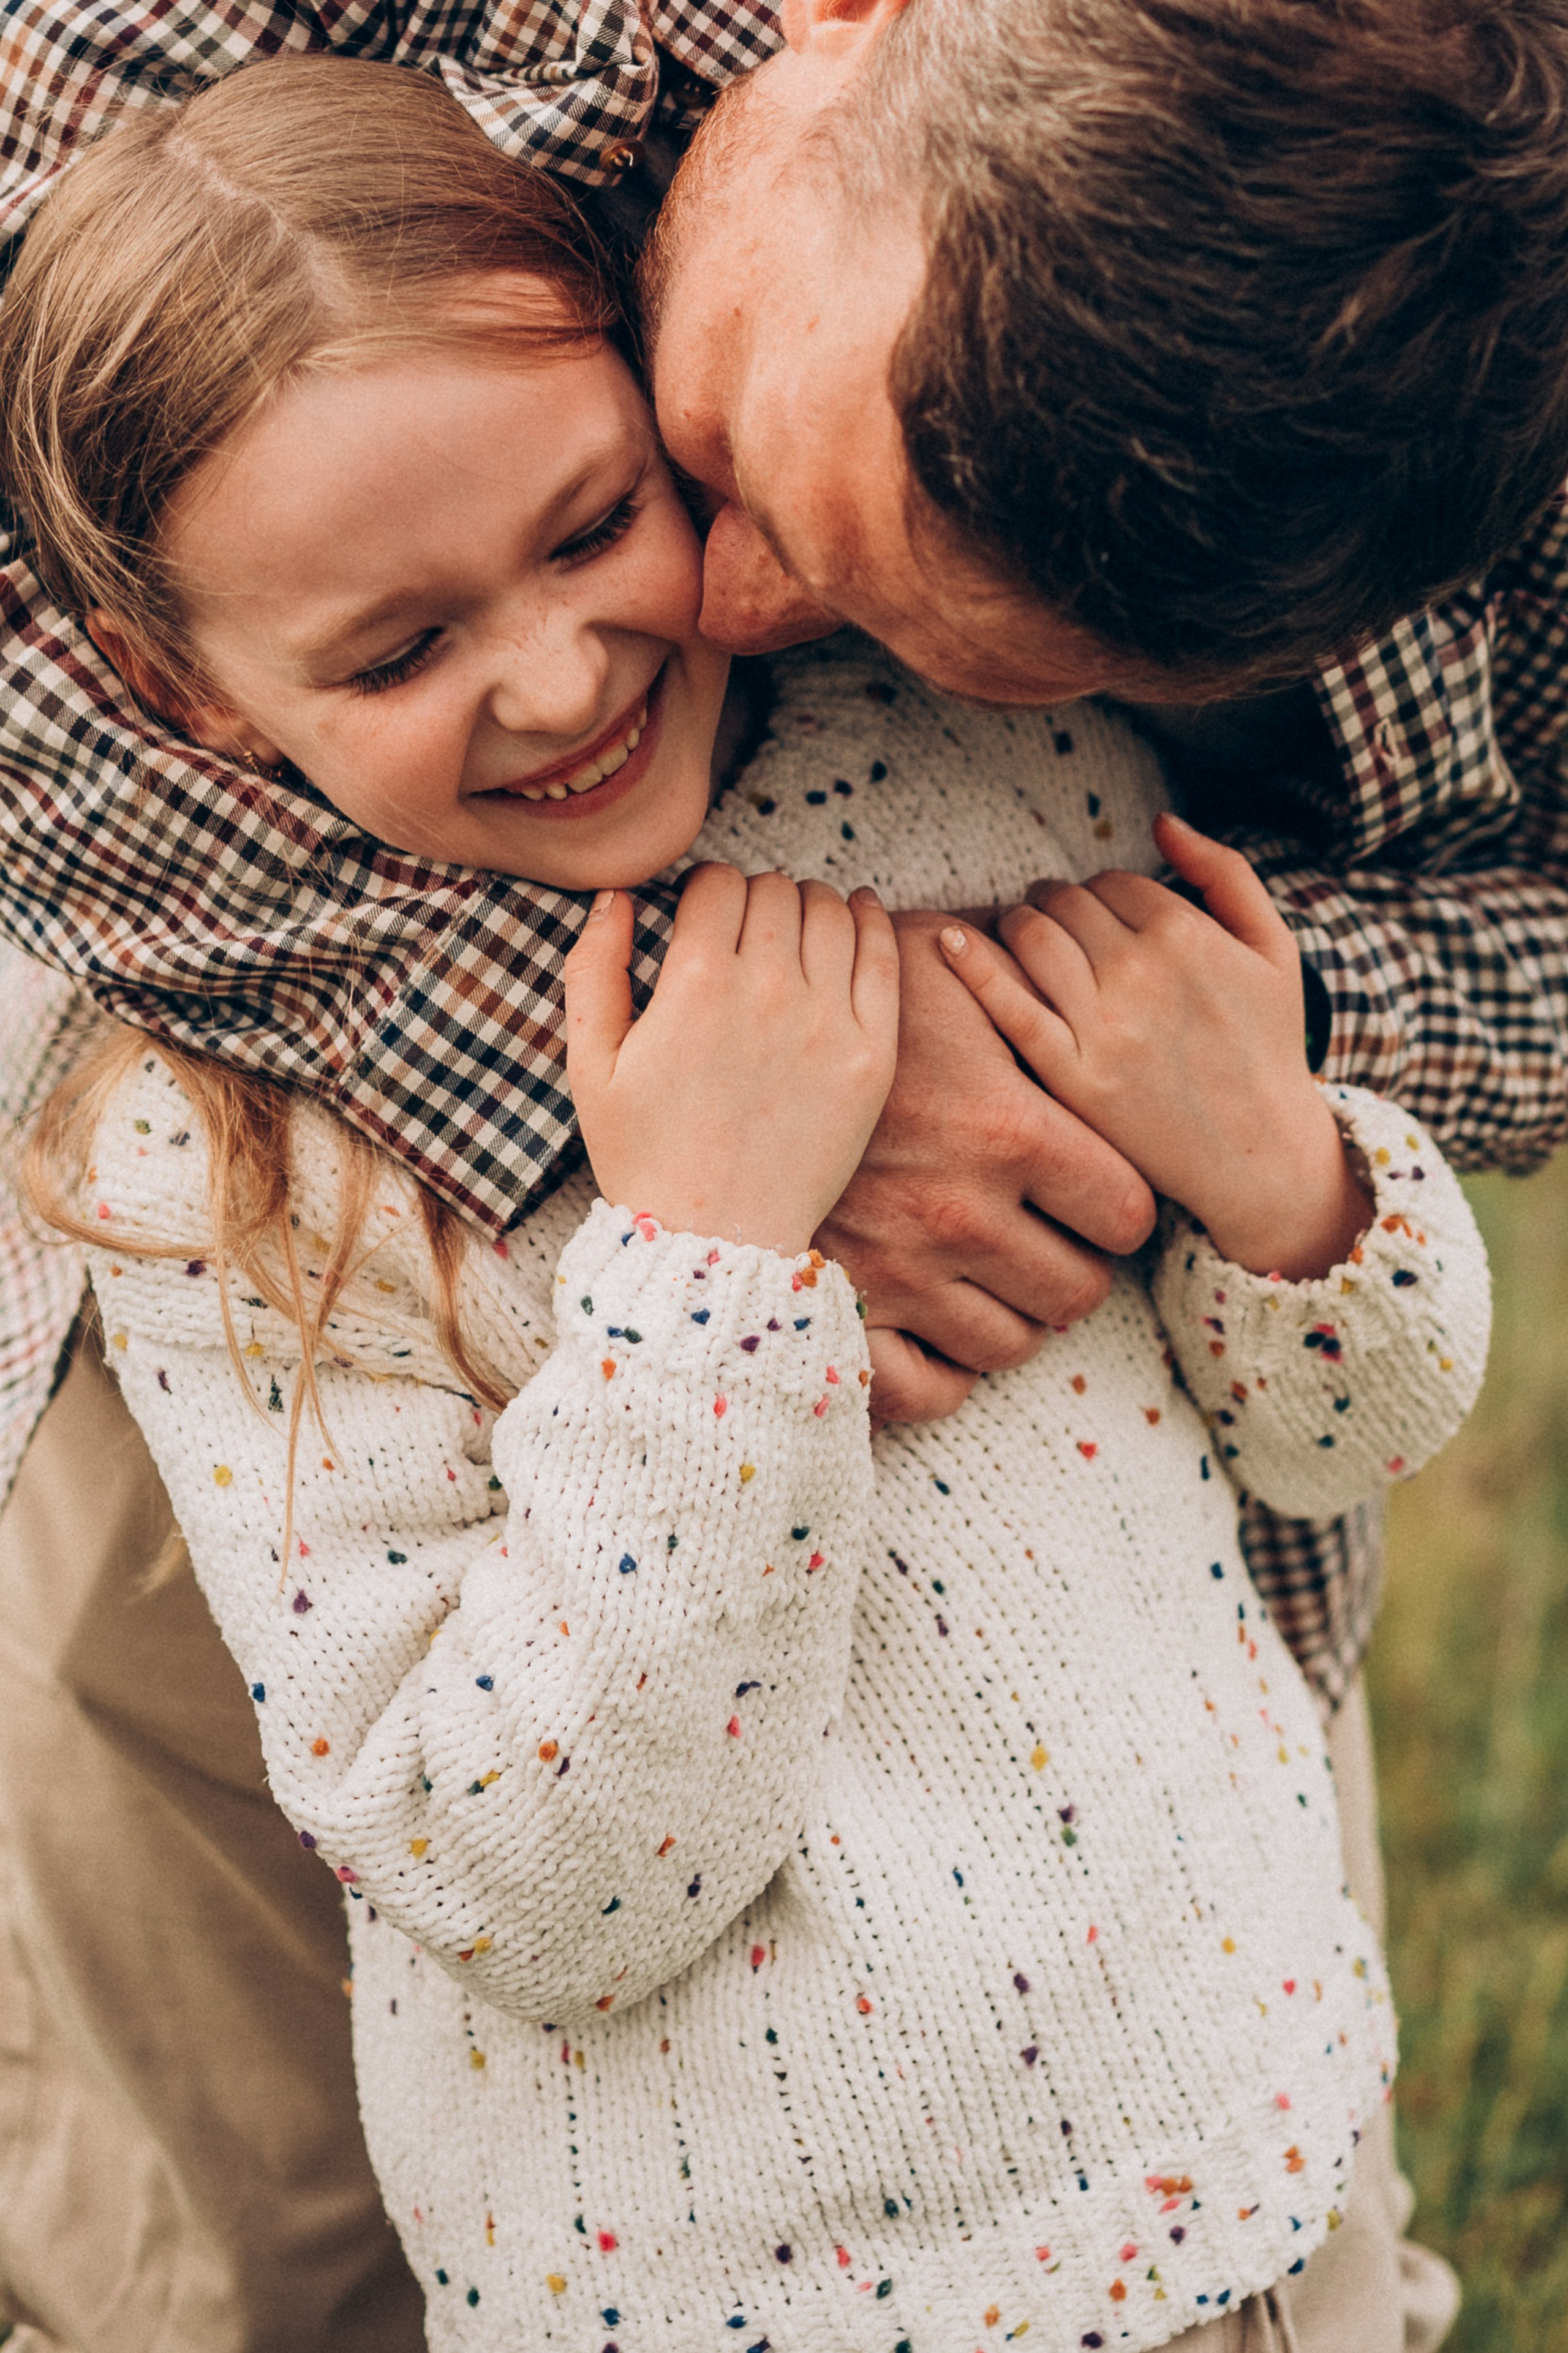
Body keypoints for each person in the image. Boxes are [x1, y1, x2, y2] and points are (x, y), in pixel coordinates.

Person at [12, 57, 1491, 2352]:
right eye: (397, 654)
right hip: (730, 2289)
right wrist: (700, 1272)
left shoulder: (1005, 753)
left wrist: (1287, 1162)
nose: (565, 666)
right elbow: (523, 1874)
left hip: (1241, 2167)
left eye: (603, 520)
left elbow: (1352, 1421)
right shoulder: (209, 1165)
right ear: (177, 701)